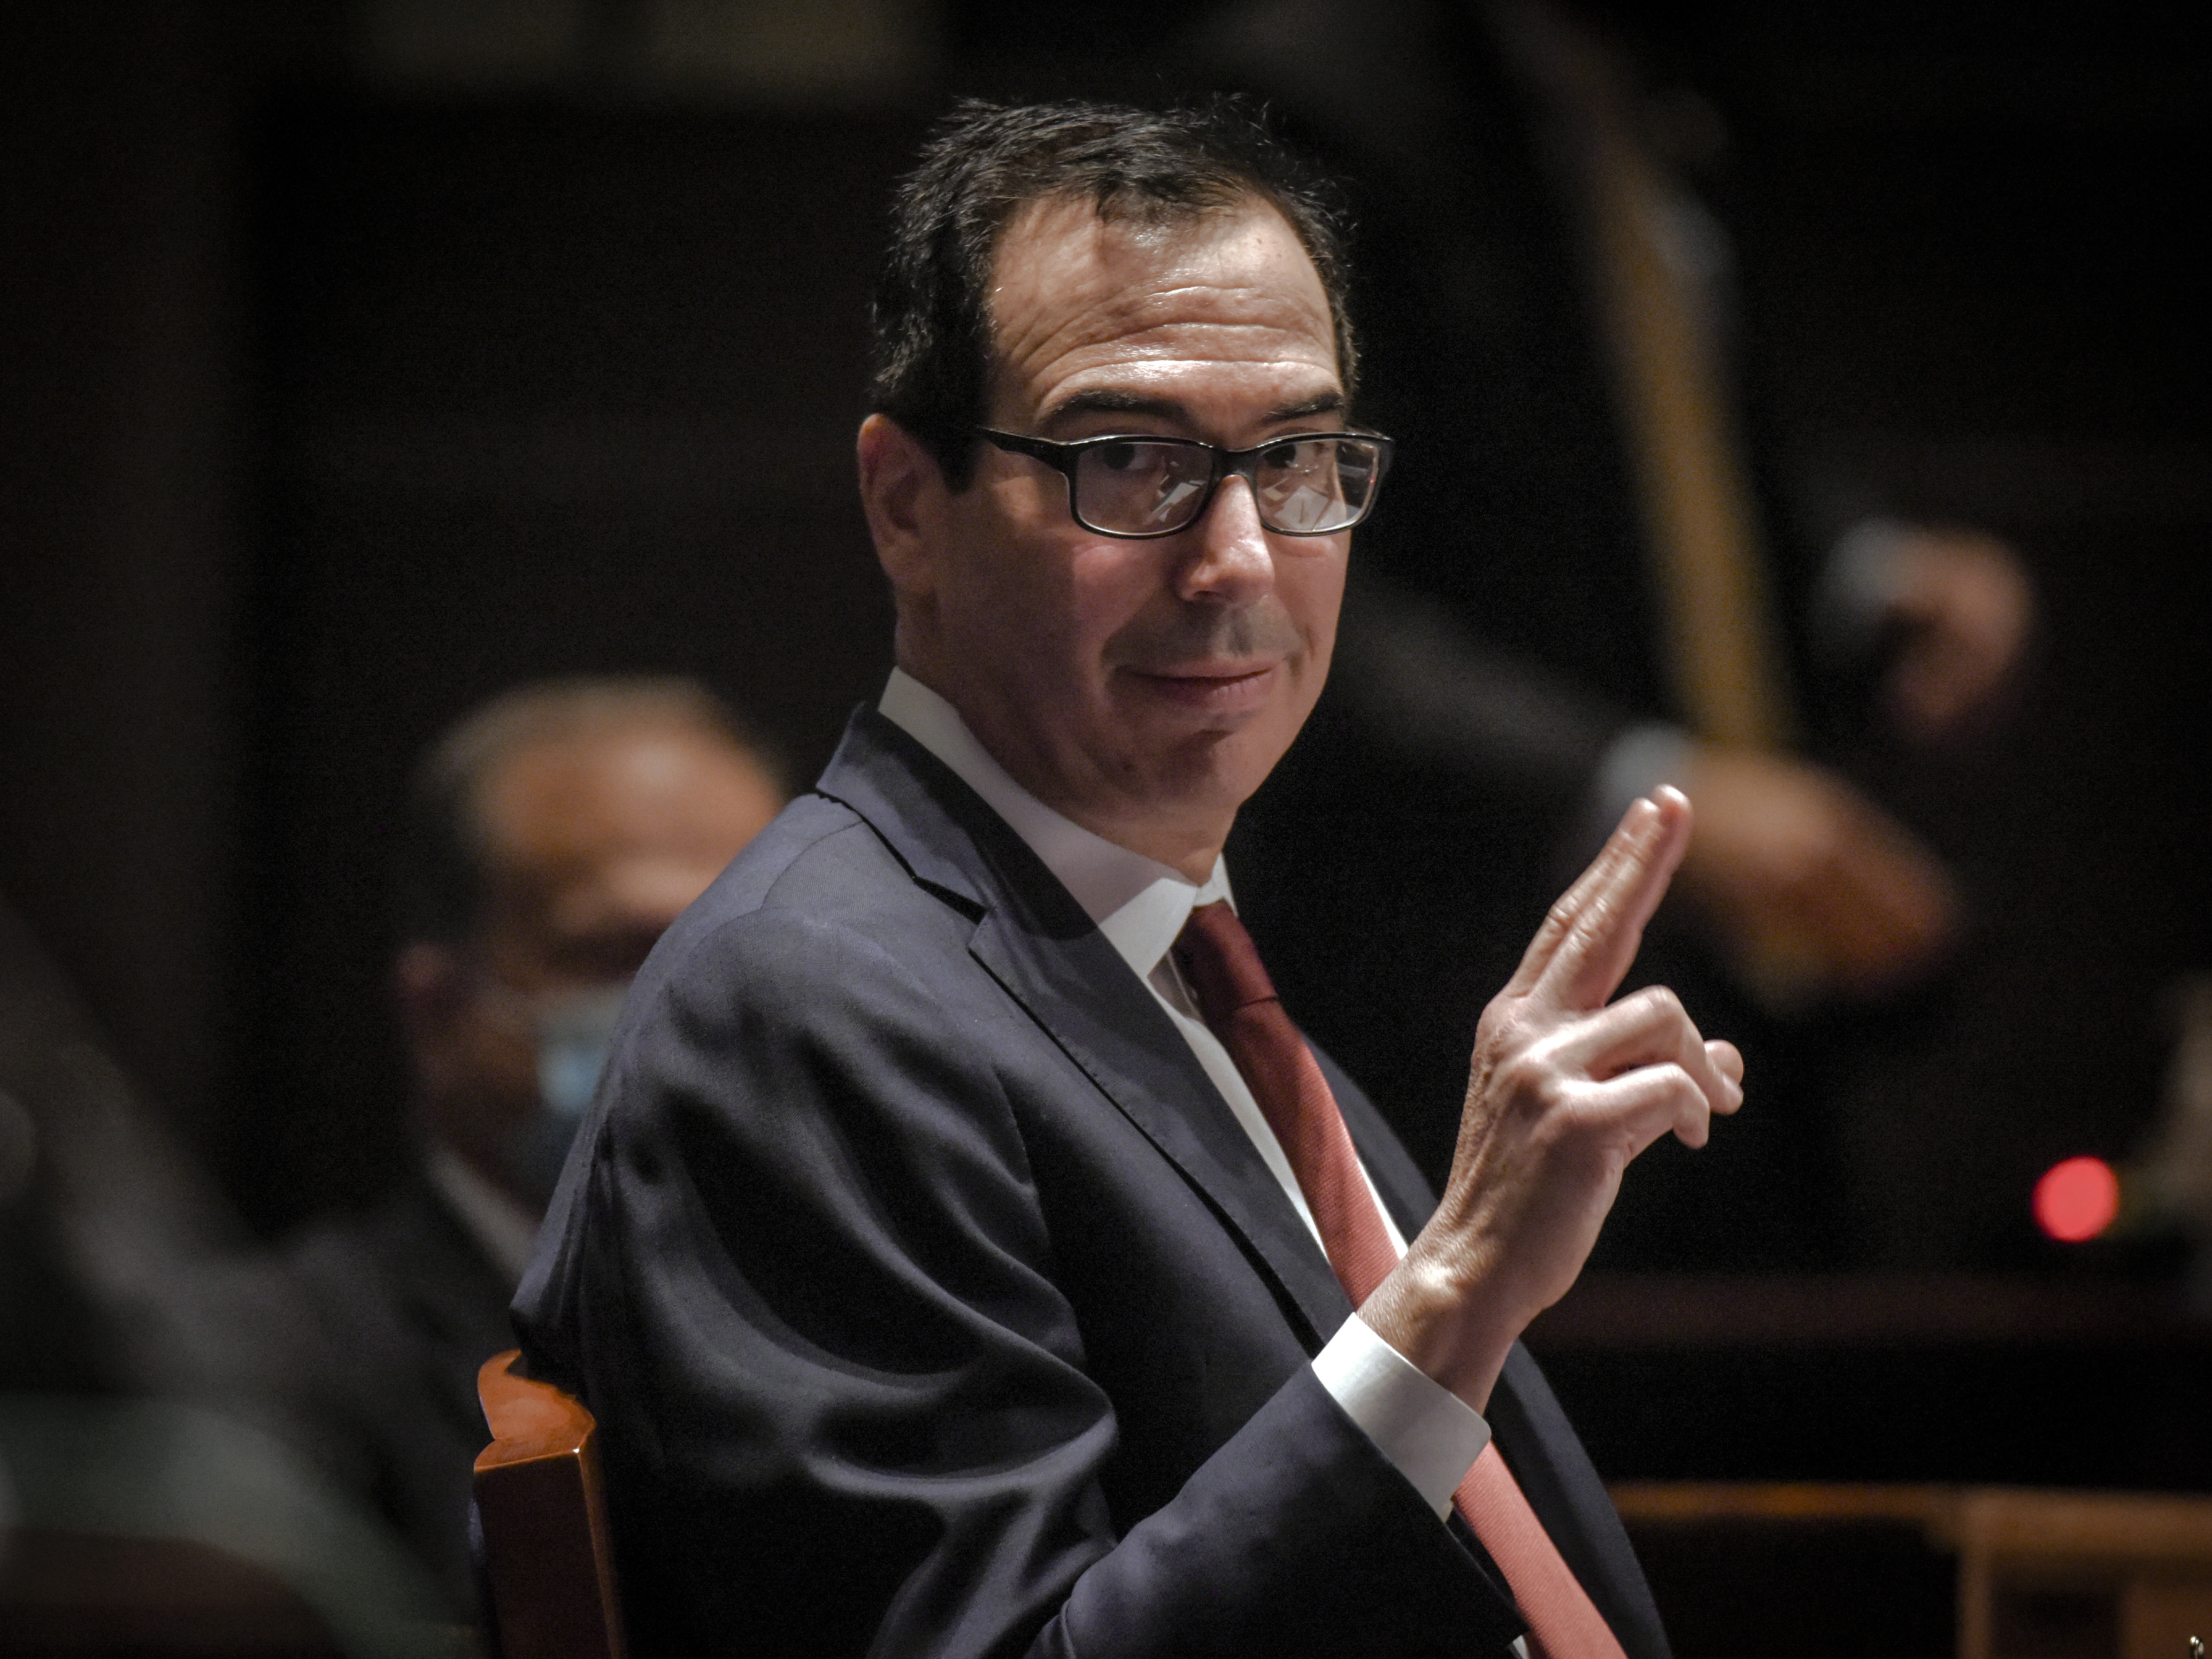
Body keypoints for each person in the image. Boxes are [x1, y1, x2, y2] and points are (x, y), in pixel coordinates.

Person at [517, 100, 1740, 1657]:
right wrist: (1454, 1297)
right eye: (1128, 460)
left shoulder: (1170, 959)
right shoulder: (808, 1012)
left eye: (1295, 457)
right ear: (908, 505)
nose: (1235, 557)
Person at [1182, 0, 2035, 1260]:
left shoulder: (1656, 82)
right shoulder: (1311, 95)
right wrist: (1647, 792)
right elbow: (1273, 582)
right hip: (1442, 1005)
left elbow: (1664, 452)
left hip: (1733, 1003)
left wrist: (1865, 572)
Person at [284, 676, 785, 1615]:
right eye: (620, 952)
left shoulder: (885, 1324)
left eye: (737, 946)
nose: (698, 1004)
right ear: (438, 1011)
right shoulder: (279, 1370)